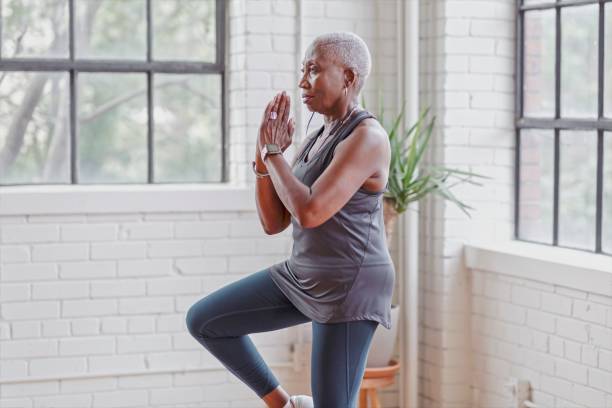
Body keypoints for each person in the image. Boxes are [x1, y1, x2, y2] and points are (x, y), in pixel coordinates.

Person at [186, 31, 395, 408]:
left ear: (348, 77)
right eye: (302, 70)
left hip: (348, 285)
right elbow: (274, 221)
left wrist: (274, 152)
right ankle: (285, 405)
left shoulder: (367, 137)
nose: (302, 82)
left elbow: (310, 211)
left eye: (313, 70)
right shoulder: (317, 136)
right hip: (305, 273)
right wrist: (264, 157)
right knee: (206, 320)